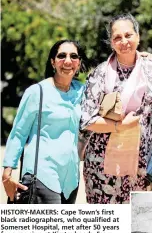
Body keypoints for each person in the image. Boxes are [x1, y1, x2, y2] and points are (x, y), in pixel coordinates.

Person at [80, 13, 152, 203]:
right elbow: (87, 120)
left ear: (138, 37)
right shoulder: (99, 73)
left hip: (140, 163)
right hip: (102, 166)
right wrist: (119, 126)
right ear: (111, 43)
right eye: (117, 37)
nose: (124, 41)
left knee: (137, 224)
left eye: (128, 35)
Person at [2, 39, 88, 203]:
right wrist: (7, 173)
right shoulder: (37, 92)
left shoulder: (82, 91)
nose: (68, 61)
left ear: (79, 63)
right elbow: (19, 133)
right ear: (53, 62)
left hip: (70, 178)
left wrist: (141, 58)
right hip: (42, 174)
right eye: (61, 56)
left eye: (73, 56)